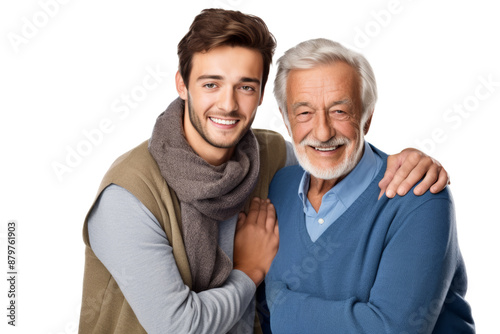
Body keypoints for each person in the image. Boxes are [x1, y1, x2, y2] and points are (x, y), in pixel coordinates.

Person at [78, 9, 450, 334]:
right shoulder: (128, 195)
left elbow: (330, 154)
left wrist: (412, 159)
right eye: (211, 84)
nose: (227, 104)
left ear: (259, 96)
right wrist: (249, 272)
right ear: (182, 84)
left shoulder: (272, 160)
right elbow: (178, 327)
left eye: (245, 86)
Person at [263, 38, 475, 333]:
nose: (322, 132)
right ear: (286, 122)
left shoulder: (419, 197)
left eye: (339, 111)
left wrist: (282, 307)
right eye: (304, 113)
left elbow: (393, 330)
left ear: (366, 118)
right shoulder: (278, 188)